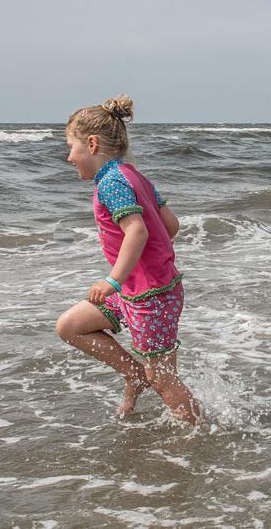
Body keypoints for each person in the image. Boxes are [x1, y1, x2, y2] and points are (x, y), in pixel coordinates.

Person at [55, 95, 200, 423]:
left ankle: (201, 439)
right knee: (71, 326)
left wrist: (113, 280)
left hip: (151, 297)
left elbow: (137, 232)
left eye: (71, 147)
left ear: (91, 144)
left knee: (163, 379)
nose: (69, 157)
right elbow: (170, 225)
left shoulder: (110, 183)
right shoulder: (135, 176)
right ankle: (134, 374)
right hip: (143, 289)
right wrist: (140, 269)